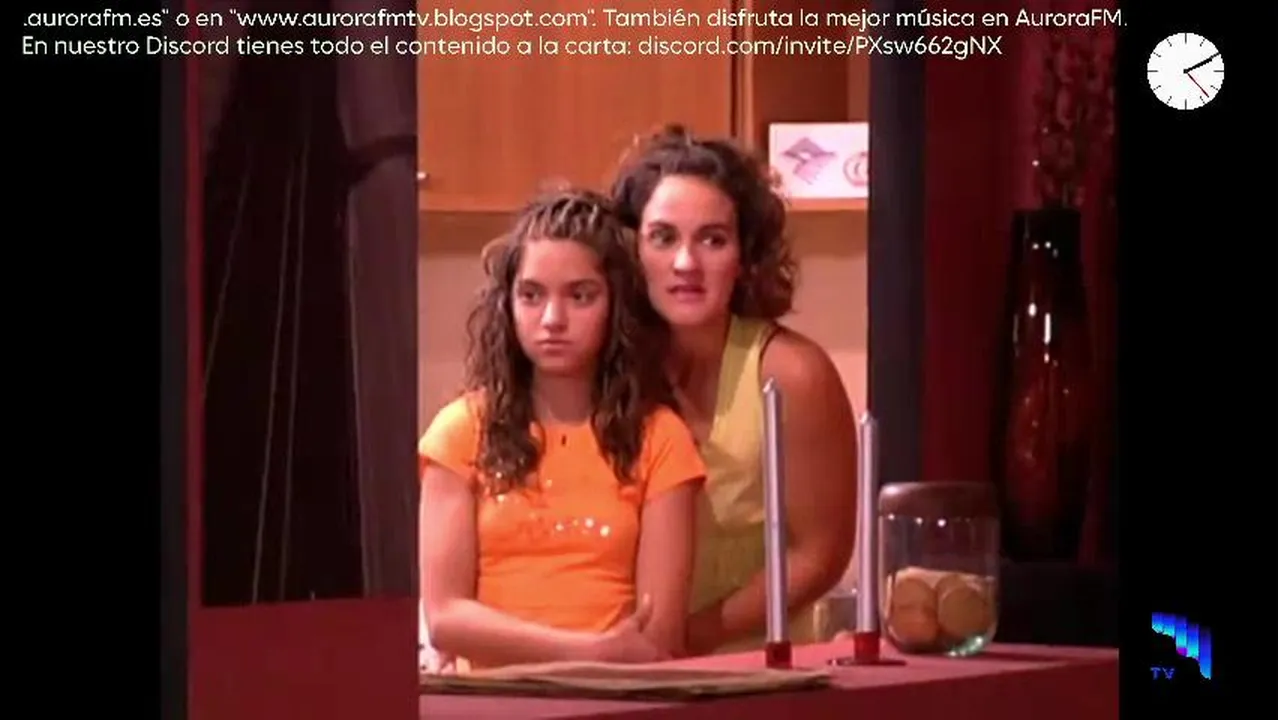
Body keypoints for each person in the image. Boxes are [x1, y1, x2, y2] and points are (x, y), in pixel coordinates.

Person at [419, 188, 707, 670]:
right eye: (531, 295)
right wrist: (587, 652)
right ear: (507, 305)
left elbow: (657, 636)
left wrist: (596, 662)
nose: (552, 319)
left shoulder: (660, 438)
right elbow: (445, 618)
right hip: (489, 698)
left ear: (615, 307)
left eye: (580, 296)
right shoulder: (460, 432)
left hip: (617, 697)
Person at [611, 125, 861, 655]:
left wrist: (684, 640)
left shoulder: (794, 375)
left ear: (745, 255)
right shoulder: (609, 370)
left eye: (712, 239)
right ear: (632, 251)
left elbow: (818, 556)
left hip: (760, 670)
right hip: (621, 667)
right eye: (663, 238)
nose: (686, 263)